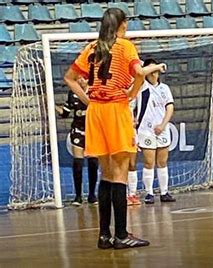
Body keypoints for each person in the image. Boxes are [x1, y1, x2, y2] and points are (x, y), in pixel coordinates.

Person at [64, 7, 166, 249]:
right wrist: (135, 89)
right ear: (123, 24)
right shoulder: (125, 45)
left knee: (106, 174)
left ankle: (103, 236)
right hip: (115, 108)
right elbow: (139, 72)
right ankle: (121, 234)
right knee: (120, 172)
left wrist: (89, 100)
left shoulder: (91, 47)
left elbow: (69, 77)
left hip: (96, 112)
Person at [132, 58, 176, 204]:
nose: (153, 73)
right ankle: (149, 193)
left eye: (155, 70)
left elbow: (169, 107)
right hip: (146, 130)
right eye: (151, 70)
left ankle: (164, 192)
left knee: (162, 161)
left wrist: (163, 125)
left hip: (162, 129)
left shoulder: (165, 88)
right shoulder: (141, 86)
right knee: (149, 162)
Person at [56, 78, 98, 206]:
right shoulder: (72, 93)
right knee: (78, 163)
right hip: (78, 130)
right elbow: (65, 113)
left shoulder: (95, 92)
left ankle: (92, 195)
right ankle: (78, 196)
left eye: (83, 78)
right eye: (78, 78)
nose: (80, 80)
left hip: (94, 131)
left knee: (93, 162)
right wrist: (53, 106)